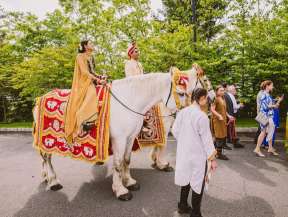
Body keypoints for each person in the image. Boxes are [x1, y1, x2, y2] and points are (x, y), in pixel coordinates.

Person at [172, 88, 217, 217]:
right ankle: (196, 213)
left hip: (184, 153)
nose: (207, 101)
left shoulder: (182, 112)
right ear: (201, 98)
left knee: (185, 180)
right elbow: (207, 140)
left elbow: (175, 130)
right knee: (198, 183)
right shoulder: (202, 116)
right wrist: (212, 159)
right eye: (206, 98)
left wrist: (184, 141)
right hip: (198, 155)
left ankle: (182, 206)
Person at [64, 40, 105, 144]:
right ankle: (82, 120)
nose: (93, 45)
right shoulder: (80, 56)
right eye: (91, 44)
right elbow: (85, 72)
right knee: (91, 95)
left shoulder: (91, 57)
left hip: (92, 80)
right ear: (85, 46)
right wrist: (98, 80)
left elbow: (92, 71)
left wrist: (100, 76)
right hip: (85, 82)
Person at [254, 80, 281, 157]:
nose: (273, 87)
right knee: (263, 132)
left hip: (267, 115)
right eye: (272, 85)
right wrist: (274, 106)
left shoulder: (267, 94)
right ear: (267, 86)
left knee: (270, 130)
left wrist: (275, 103)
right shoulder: (264, 94)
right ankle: (257, 149)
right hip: (264, 115)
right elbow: (265, 107)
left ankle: (270, 147)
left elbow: (269, 105)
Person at [211, 85, 233, 160]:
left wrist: (228, 116)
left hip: (222, 120)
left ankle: (212, 151)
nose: (222, 92)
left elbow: (224, 109)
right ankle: (218, 154)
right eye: (220, 90)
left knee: (221, 136)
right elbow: (212, 109)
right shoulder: (215, 99)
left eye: (223, 90)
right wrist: (219, 116)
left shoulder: (223, 98)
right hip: (217, 120)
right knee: (219, 137)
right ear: (216, 91)